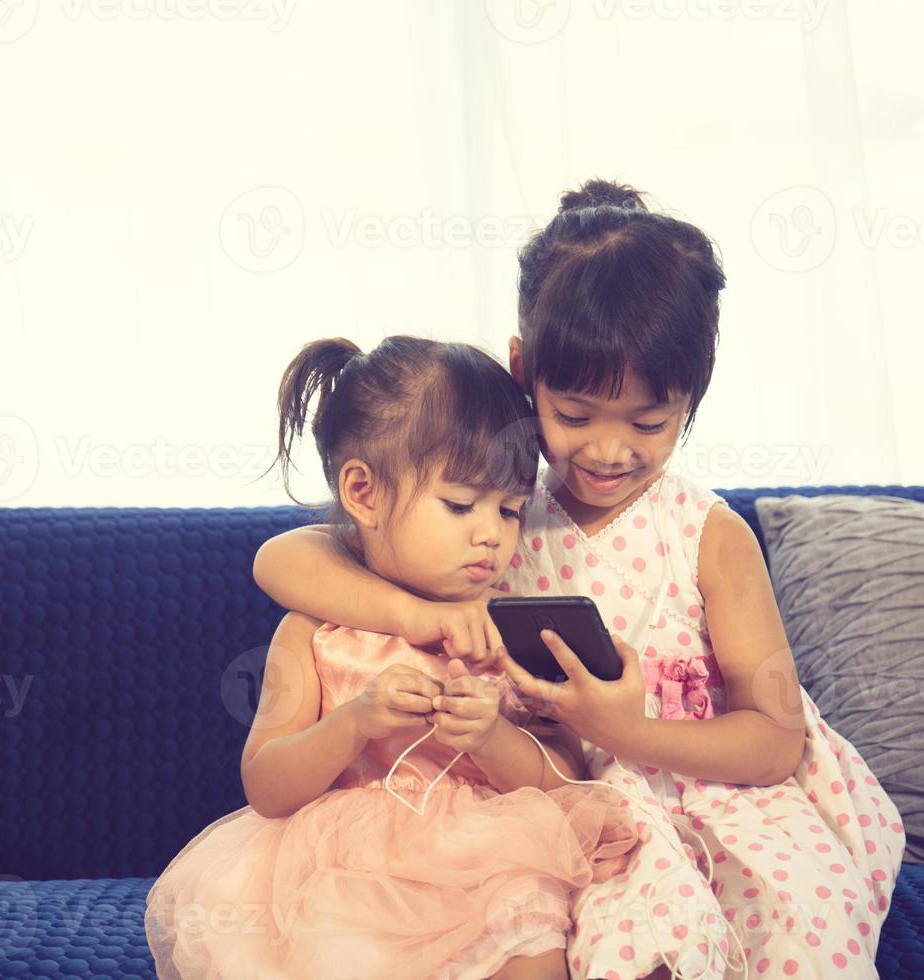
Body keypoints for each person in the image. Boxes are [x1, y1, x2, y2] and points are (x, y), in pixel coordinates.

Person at [250, 181, 906, 979]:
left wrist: (627, 732)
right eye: (575, 413)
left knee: (788, 936)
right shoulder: (492, 510)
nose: (607, 449)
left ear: (691, 400)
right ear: (525, 371)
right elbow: (285, 561)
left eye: (648, 422)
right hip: (568, 806)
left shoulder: (705, 534)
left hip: (715, 798)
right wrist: (409, 615)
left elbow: (772, 743)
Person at [145, 334, 641, 979]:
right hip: (341, 869)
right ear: (364, 492)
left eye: (512, 510)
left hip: (488, 858)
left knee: (534, 948)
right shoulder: (318, 629)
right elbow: (266, 785)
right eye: (460, 504)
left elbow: (564, 777)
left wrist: (492, 739)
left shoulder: (505, 626)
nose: (491, 532)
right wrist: (354, 724)